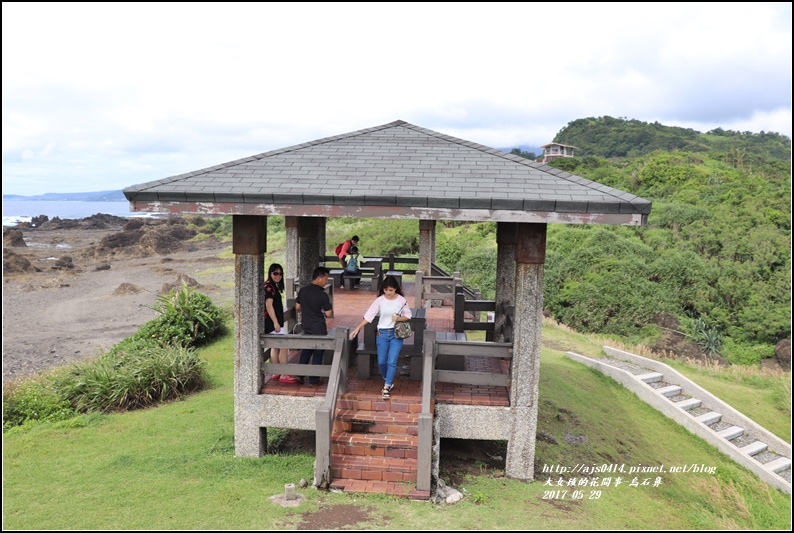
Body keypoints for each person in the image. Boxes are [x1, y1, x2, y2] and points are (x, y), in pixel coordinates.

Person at [349, 275, 412, 400]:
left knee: (392, 361)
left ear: (395, 289)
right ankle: (387, 378)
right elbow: (369, 316)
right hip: (382, 333)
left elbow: (408, 315)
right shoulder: (379, 300)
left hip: (396, 334)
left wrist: (398, 318)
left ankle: (387, 386)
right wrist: (357, 328)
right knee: (381, 361)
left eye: (391, 290)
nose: (388, 293)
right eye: (386, 290)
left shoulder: (401, 300)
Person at [295, 267, 333, 385]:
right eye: (326, 278)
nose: (327, 281)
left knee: (306, 351)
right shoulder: (323, 295)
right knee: (318, 353)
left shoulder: (303, 290)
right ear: (319, 278)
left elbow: (297, 307)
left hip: (306, 326)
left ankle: (300, 375)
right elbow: (328, 313)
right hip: (319, 328)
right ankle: (314, 379)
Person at [263, 263, 298, 384]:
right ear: (270, 273)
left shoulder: (272, 286)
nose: (278, 276)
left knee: (275, 346)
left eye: (280, 273)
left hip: (272, 323)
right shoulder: (268, 287)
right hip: (272, 323)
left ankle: (276, 372)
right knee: (283, 347)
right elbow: (268, 306)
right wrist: (276, 323)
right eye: (275, 273)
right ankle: (283, 374)